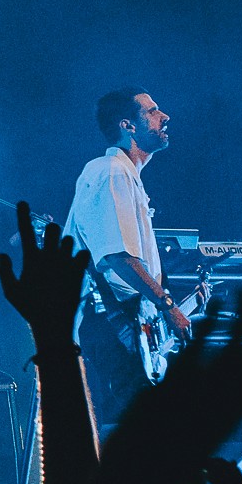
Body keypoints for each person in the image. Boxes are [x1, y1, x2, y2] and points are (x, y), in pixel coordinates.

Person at [66, 88, 188, 439]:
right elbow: (117, 256)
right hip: (109, 322)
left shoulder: (125, 175)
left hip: (120, 320)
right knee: (143, 430)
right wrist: (167, 305)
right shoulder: (111, 172)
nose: (164, 117)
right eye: (152, 111)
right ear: (127, 125)